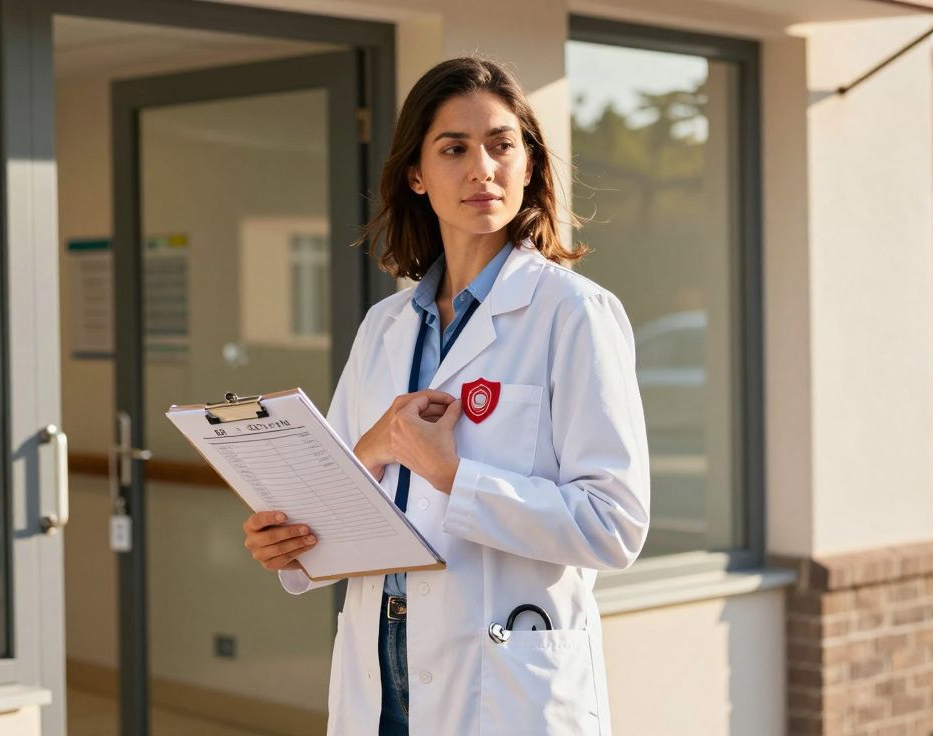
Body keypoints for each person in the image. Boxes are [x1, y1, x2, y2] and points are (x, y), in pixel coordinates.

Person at [240, 56, 650, 735]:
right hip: (383, 671)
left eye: (501, 145)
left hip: (503, 676)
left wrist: (451, 474)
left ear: (529, 165)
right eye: (453, 148)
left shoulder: (573, 313)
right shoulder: (385, 328)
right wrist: (290, 541)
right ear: (417, 175)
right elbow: (342, 504)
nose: (481, 168)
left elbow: (613, 524)